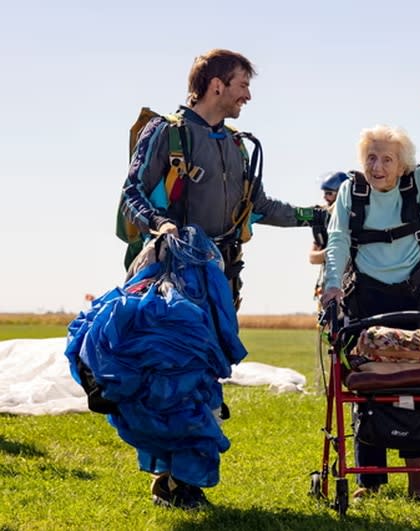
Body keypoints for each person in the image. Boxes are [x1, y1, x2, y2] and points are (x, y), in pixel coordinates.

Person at [120, 48, 326, 509]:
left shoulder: (236, 146)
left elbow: (261, 207)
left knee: (206, 375)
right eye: (241, 85)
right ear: (216, 85)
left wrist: (317, 214)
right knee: (175, 375)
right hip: (170, 277)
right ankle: (175, 479)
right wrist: (161, 225)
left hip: (222, 281)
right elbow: (131, 191)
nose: (247, 96)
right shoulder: (166, 135)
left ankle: (179, 478)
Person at [321, 69, 420, 501]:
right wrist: (330, 286)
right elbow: (339, 238)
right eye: (371, 158)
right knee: (370, 385)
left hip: (417, 295)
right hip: (366, 296)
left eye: (386, 159)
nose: (378, 167)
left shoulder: (417, 184)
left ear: (402, 165)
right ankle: (369, 481)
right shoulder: (351, 193)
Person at [309, 171, 348, 300]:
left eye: (329, 193)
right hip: (329, 286)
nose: (325, 198)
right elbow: (312, 257)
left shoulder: (355, 218)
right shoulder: (322, 219)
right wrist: (335, 252)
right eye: (324, 193)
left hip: (351, 285)